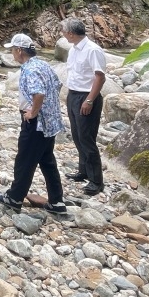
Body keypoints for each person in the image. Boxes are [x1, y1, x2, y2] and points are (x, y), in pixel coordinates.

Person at [0, 33, 67, 215]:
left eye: (12, 49)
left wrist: (33, 111)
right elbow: (57, 85)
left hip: (36, 122)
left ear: (19, 50)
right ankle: (57, 201)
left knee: (24, 160)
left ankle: (15, 197)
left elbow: (39, 93)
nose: (12, 53)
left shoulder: (29, 69)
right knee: (47, 161)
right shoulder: (43, 64)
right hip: (49, 121)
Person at [61, 17, 107, 195]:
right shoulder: (73, 49)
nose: (63, 34)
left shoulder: (92, 50)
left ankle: (96, 181)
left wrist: (89, 100)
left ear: (71, 33)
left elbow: (100, 77)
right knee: (77, 135)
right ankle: (84, 171)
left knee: (87, 138)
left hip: (87, 96)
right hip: (73, 94)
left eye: (64, 32)